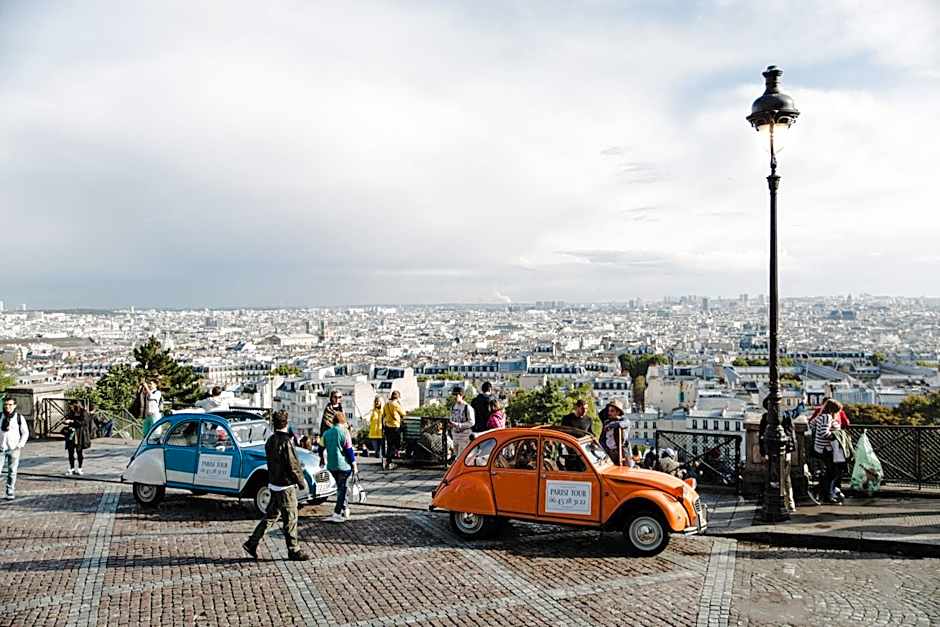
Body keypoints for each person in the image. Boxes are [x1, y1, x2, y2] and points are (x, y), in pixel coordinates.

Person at [243, 410, 310, 561]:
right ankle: (294, 549)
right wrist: (301, 482)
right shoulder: (287, 442)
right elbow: (293, 465)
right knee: (290, 518)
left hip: (274, 483)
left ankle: (252, 542)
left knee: (271, 516)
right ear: (287, 423)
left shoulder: (270, 440)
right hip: (285, 486)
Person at [758, 396, 797, 512]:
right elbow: (791, 434)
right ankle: (789, 502)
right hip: (785, 451)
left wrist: (763, 452)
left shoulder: (766, 418)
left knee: (772, 477)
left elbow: (761, 436)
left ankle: (776, 501)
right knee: (786, 478)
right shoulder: (786, 416)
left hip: (772, 452)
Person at [323, 412, 358, 523]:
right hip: (344, 465)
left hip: (331, 465)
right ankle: (337, 513)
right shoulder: (344, 432)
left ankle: (345, 509)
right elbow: (349, 450)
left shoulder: (326, 433)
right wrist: (354, 464)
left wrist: (321, 459)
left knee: (341, 488)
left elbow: (320, 447)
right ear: (343, 421)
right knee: (342, 489)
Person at [811, 399, 844, 504]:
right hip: (826, 449)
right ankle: (823, 493)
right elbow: (824, 433)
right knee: (832, 472)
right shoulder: (827, 417)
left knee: (829, 472)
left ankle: (823, 492)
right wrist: (835, 436)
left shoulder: (821, 416)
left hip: (820, 448)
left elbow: (812, 424)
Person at [0, 397, 28, 500]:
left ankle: (10, 491)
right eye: (6, 404)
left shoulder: (19, 418)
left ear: (14, 405)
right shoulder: (0, 416)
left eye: (10, 404)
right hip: (1, 448)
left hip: (14, 448)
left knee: (12, 471)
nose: (7, 406)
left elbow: (25, 433)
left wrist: (20, 445)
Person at [63, 401, 92, 476]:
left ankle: (80, 468)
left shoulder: (83, 412)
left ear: (76, 406)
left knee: (79, 451)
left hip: (79, 434)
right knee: (70, 451)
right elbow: (67, 418)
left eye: (72, 406)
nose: (71, 408)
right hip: (71, 433)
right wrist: (66, 421)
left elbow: (84, 423)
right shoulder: (71, 412)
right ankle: (72, 468)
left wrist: (72, 421)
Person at [599, 399, 631, 465]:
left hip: (623, 454)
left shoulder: (624, 420)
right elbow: (602, 439)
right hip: (610, 454)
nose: (609, 413)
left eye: (612, 411)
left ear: (618, 412)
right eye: (609, 411)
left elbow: (626, 423)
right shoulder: (607, 422)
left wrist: (612, 425)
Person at [382, 390, 406, 470]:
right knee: (396, 444)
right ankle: (391, 461)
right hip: (395, 426)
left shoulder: (386, 405)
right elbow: (403, 413)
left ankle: (388, 461)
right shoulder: (396, 404)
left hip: (387, 427)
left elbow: (384, 414)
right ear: (398, 397)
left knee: (389, 445)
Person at [319, 390, 345, 464]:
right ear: (331, 398)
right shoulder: (328, 409)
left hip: (339, 435)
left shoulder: (341, 409)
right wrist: (336, 427)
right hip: (329, 435)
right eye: (335, 397)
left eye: (339, 397)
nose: (337, 399)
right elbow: (327, 422)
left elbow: (343, 421)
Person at [449, 387, 475, 456]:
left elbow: (472, 422)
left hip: (464, 436)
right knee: (456, 457)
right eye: (453, 395)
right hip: (455, 435)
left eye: (456, 395)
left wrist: (459, 425)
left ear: (461, 395)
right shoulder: (453, 407)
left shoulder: (467, 407)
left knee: (462, 457)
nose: (454, 397)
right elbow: (452, 418)